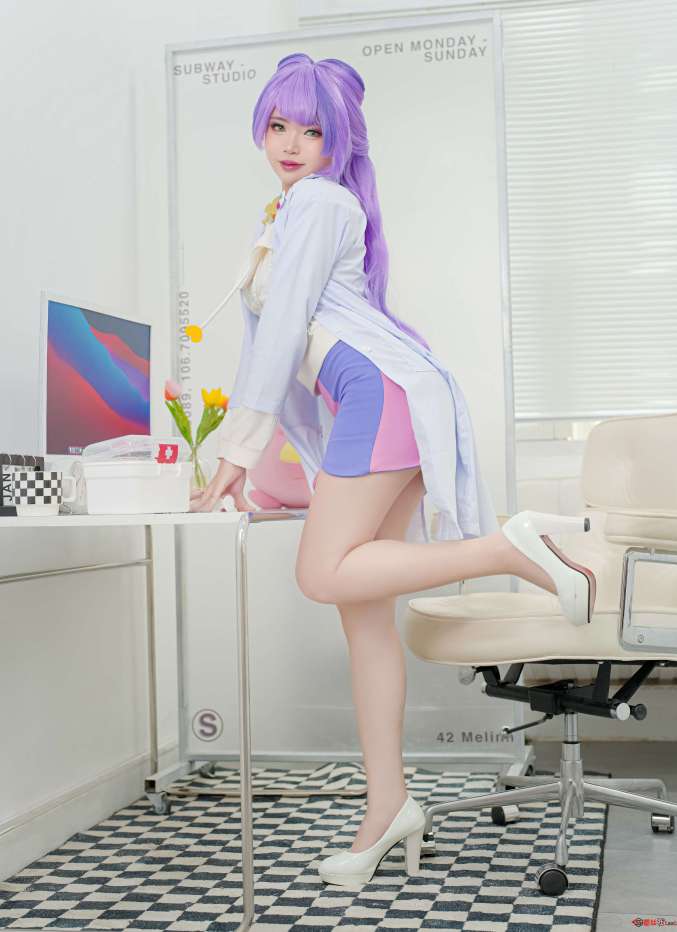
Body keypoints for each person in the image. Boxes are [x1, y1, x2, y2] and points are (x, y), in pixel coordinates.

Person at [189, 52, 597, 888]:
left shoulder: (318, 202)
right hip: (389, 399)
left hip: (380, 397)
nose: (291, 143)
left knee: (321, 573)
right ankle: (389, 807)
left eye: (312, 131)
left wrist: (234, 455)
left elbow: (283, 333)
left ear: (338, 141)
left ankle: (508, 548)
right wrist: (260, 462)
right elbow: (298, 346)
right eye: (279, 126)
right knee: (363, 616)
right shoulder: (302, 206)